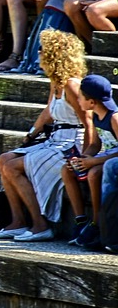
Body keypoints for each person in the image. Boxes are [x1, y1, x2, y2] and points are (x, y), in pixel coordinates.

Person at [0, 29, 89, 242]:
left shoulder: (73, 84)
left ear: (55, 54)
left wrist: (87, 155)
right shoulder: (56, 82)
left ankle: (40, 225)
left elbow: (88, 121)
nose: (39, 53)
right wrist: (30, 135)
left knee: (12, 167)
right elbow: (48, 112)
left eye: (42, 50)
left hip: (73, 143)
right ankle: (18, 222)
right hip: (56, 140)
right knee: (5, 159)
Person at [61, 74, 118, 248]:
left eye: (80, 96)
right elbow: (95, 144)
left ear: (91, 101)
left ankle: (96, 221)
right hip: (103, 156)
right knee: (67, 169)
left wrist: (93, 162)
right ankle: (80, 220)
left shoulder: (114, 118)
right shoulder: (95, 116)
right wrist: (83, 158)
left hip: (112, 159)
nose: (77, 99)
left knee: (94, 174)